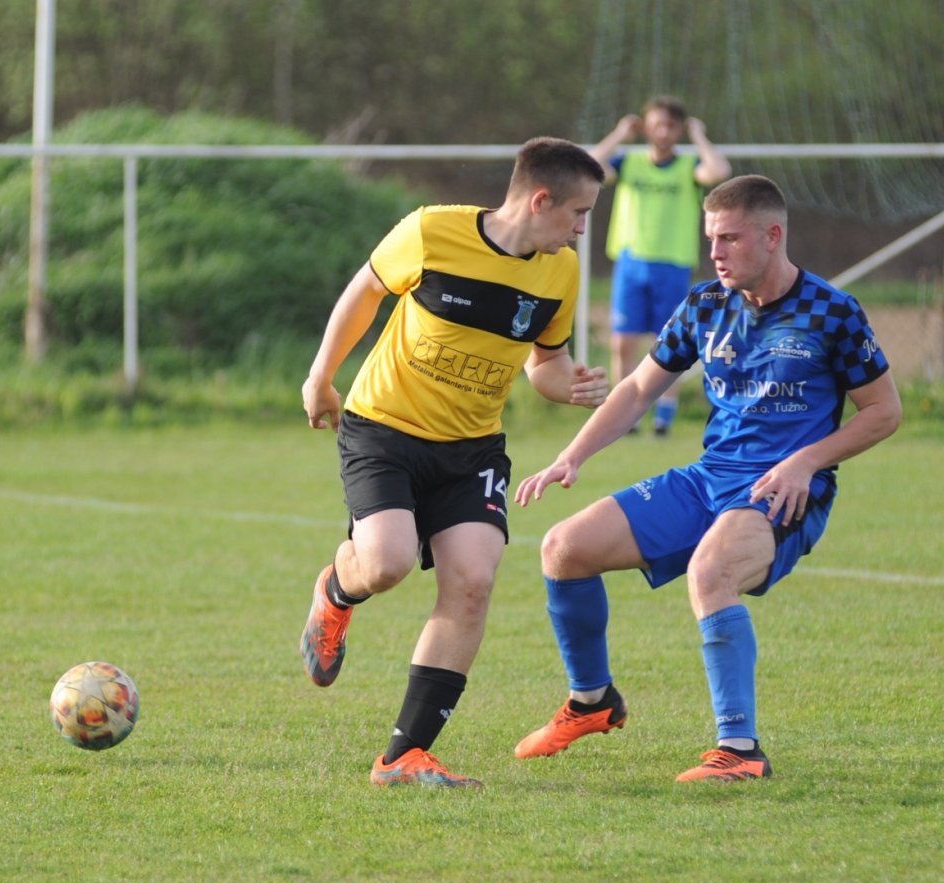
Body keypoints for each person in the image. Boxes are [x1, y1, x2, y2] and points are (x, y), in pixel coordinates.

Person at [513, 174, 902, 781]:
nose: (715, 253)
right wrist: (572, 456)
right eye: (711, 239)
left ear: (772, 236)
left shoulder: (832, 312)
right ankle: (591, 702)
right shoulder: (704, 305)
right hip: (708, 478)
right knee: (564, 548)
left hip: (782, 490)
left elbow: (883, 412)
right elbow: (638, 389)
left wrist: (805, 461)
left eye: (730, 239)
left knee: (711, 572)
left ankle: (740, 752)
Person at [299, 137, 610, 789]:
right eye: (579, 213)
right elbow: (364, 292)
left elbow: (546, 363)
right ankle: (337, 590)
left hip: (472, 449)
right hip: (385, 429)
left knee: (472, 582)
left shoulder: (561, 271)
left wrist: (572, 388)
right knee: (385, 564)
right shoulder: (431, 232)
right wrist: (320, 377)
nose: (583, 229)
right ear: (541, 200)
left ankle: (404, 754)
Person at [590, 95, 732, 437]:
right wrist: (618, 134)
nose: (663, 132)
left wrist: (699, 135)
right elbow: (588, 165)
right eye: (656, 125)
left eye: (670, 126)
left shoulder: (689, 166)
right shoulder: (629, 163)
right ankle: (626, 416)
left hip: (672, 265)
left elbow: (719, 171)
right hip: (631, 262)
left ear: (679, 129)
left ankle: (663, 418)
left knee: (670, 343)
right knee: (623, 343)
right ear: (645, 128)